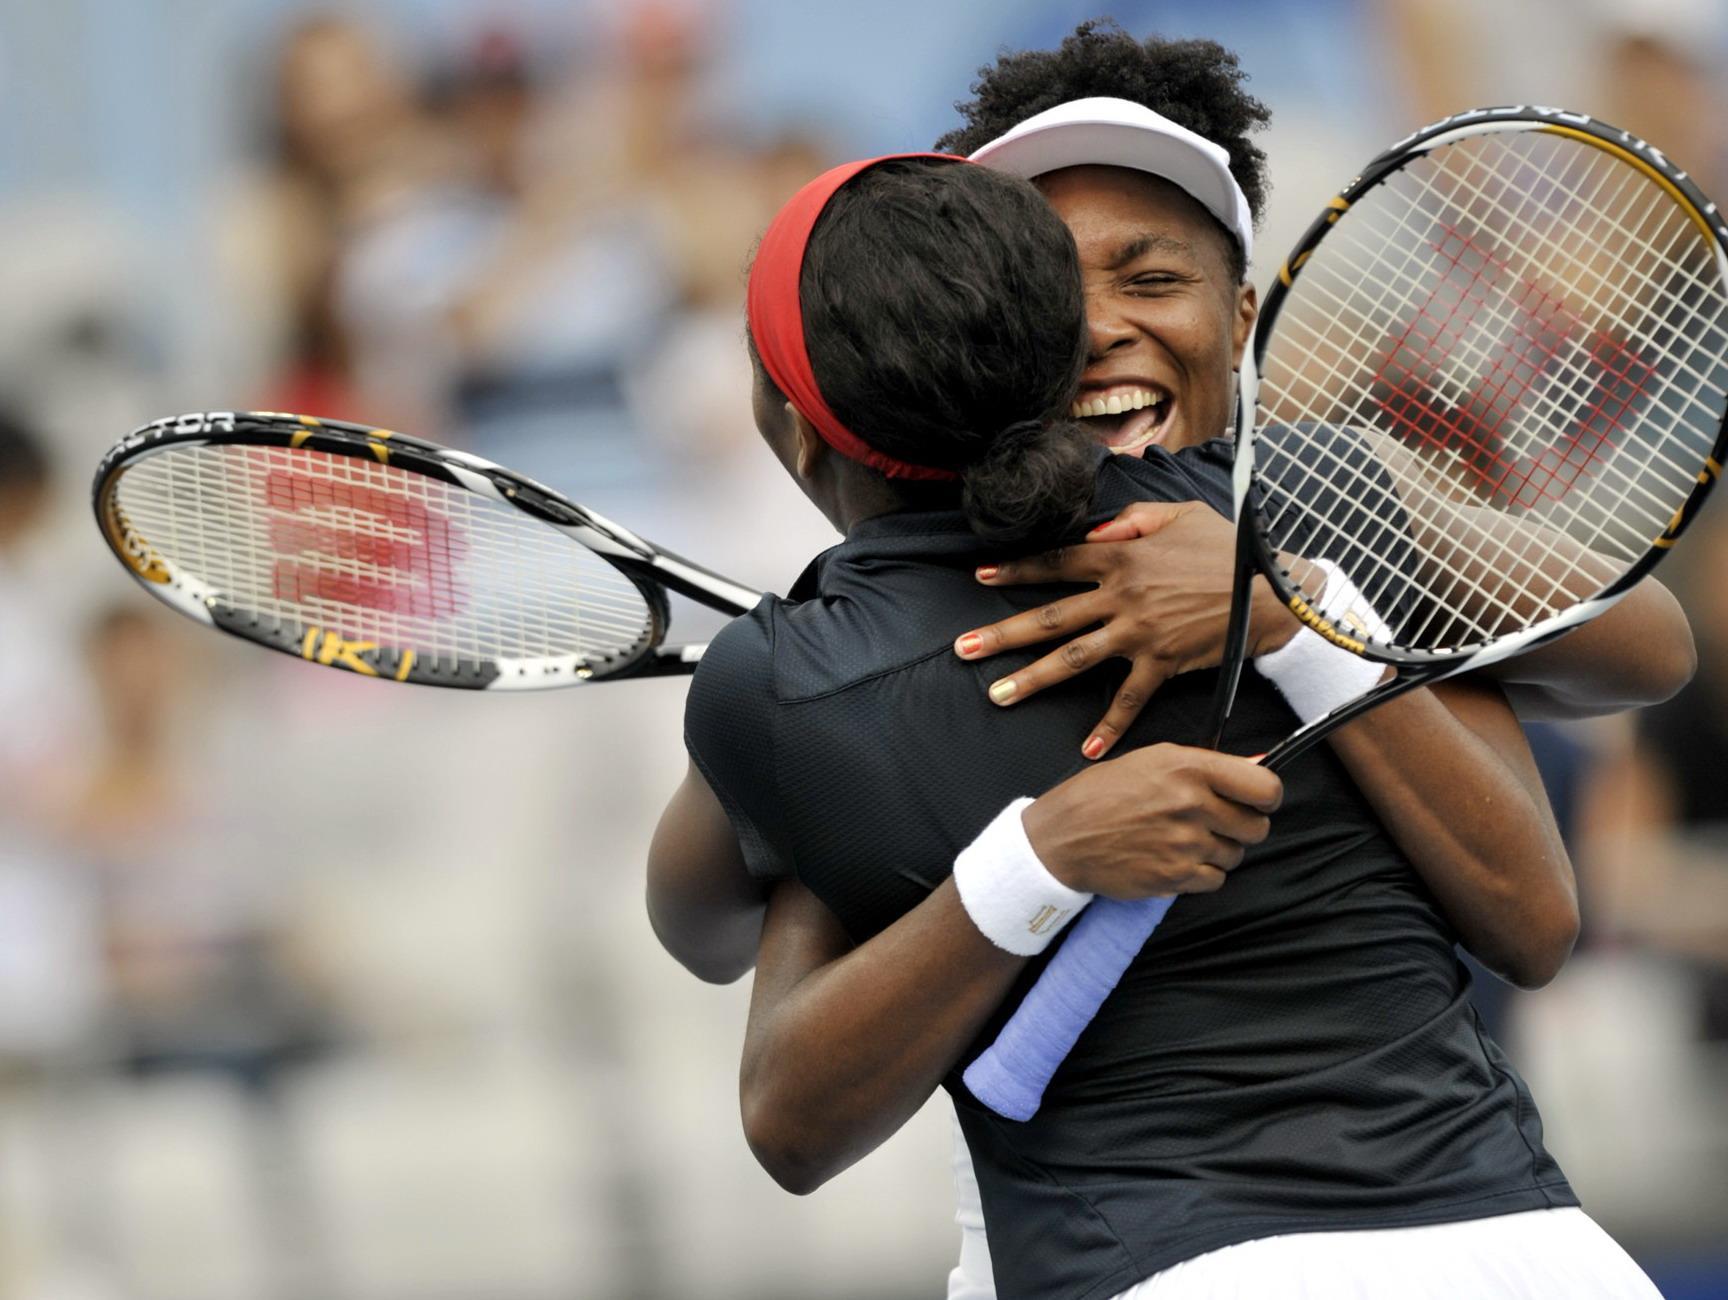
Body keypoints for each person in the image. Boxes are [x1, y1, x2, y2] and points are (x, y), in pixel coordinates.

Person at [649, 26, 1685, 1299]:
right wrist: (1036, 855)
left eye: (1151, 278)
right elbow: (758, 1021)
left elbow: (1630, 686)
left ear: (1239, 313)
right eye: (1053, 290)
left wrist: (1290, 613)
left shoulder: (1331, 502)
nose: (1101, 330)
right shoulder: (828, 666)